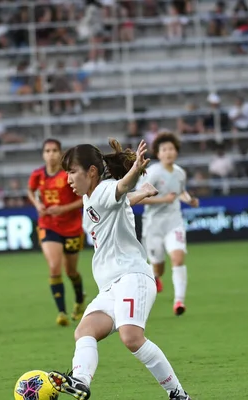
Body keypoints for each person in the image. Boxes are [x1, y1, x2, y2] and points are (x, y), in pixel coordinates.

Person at [48, 139, 192, 400]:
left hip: (131, 277)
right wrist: (142, 193)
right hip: (111, 286)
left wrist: (135, 169)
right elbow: (120, 202)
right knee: (84, 331)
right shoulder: (90, 197)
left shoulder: (102, 190)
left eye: (72, 172)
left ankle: (178, 394)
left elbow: (120, 188)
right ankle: (80, 380)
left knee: (131, 337)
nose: (67, 178)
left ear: (91, 172)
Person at [138, 132, 199, 316]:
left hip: (174, 222)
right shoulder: (153, 173)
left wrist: (189, 200)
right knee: (158, 266)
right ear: (158, 153)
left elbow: (180, 192)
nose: (168, 152)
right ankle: (155, 276)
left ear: (176, 151)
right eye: (164, 149)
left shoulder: (180, 173)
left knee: (178, 258)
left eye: (171, 149)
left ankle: (179, 301)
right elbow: (139, 198)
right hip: (153, 225)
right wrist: (163, 200)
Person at [27, 139, 87, 327]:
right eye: (47, 150)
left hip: (71, 227)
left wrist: (64, 209)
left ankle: (79, 298)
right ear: (43, 154)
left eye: (54, 150)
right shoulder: (38, 175)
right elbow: (30, 190)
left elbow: (85, 198)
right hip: (48, 225)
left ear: (60, 153)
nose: (51, 154)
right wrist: (37, 204)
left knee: (71, 271)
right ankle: (61, 312)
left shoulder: (69, 174)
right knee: (54, 266)